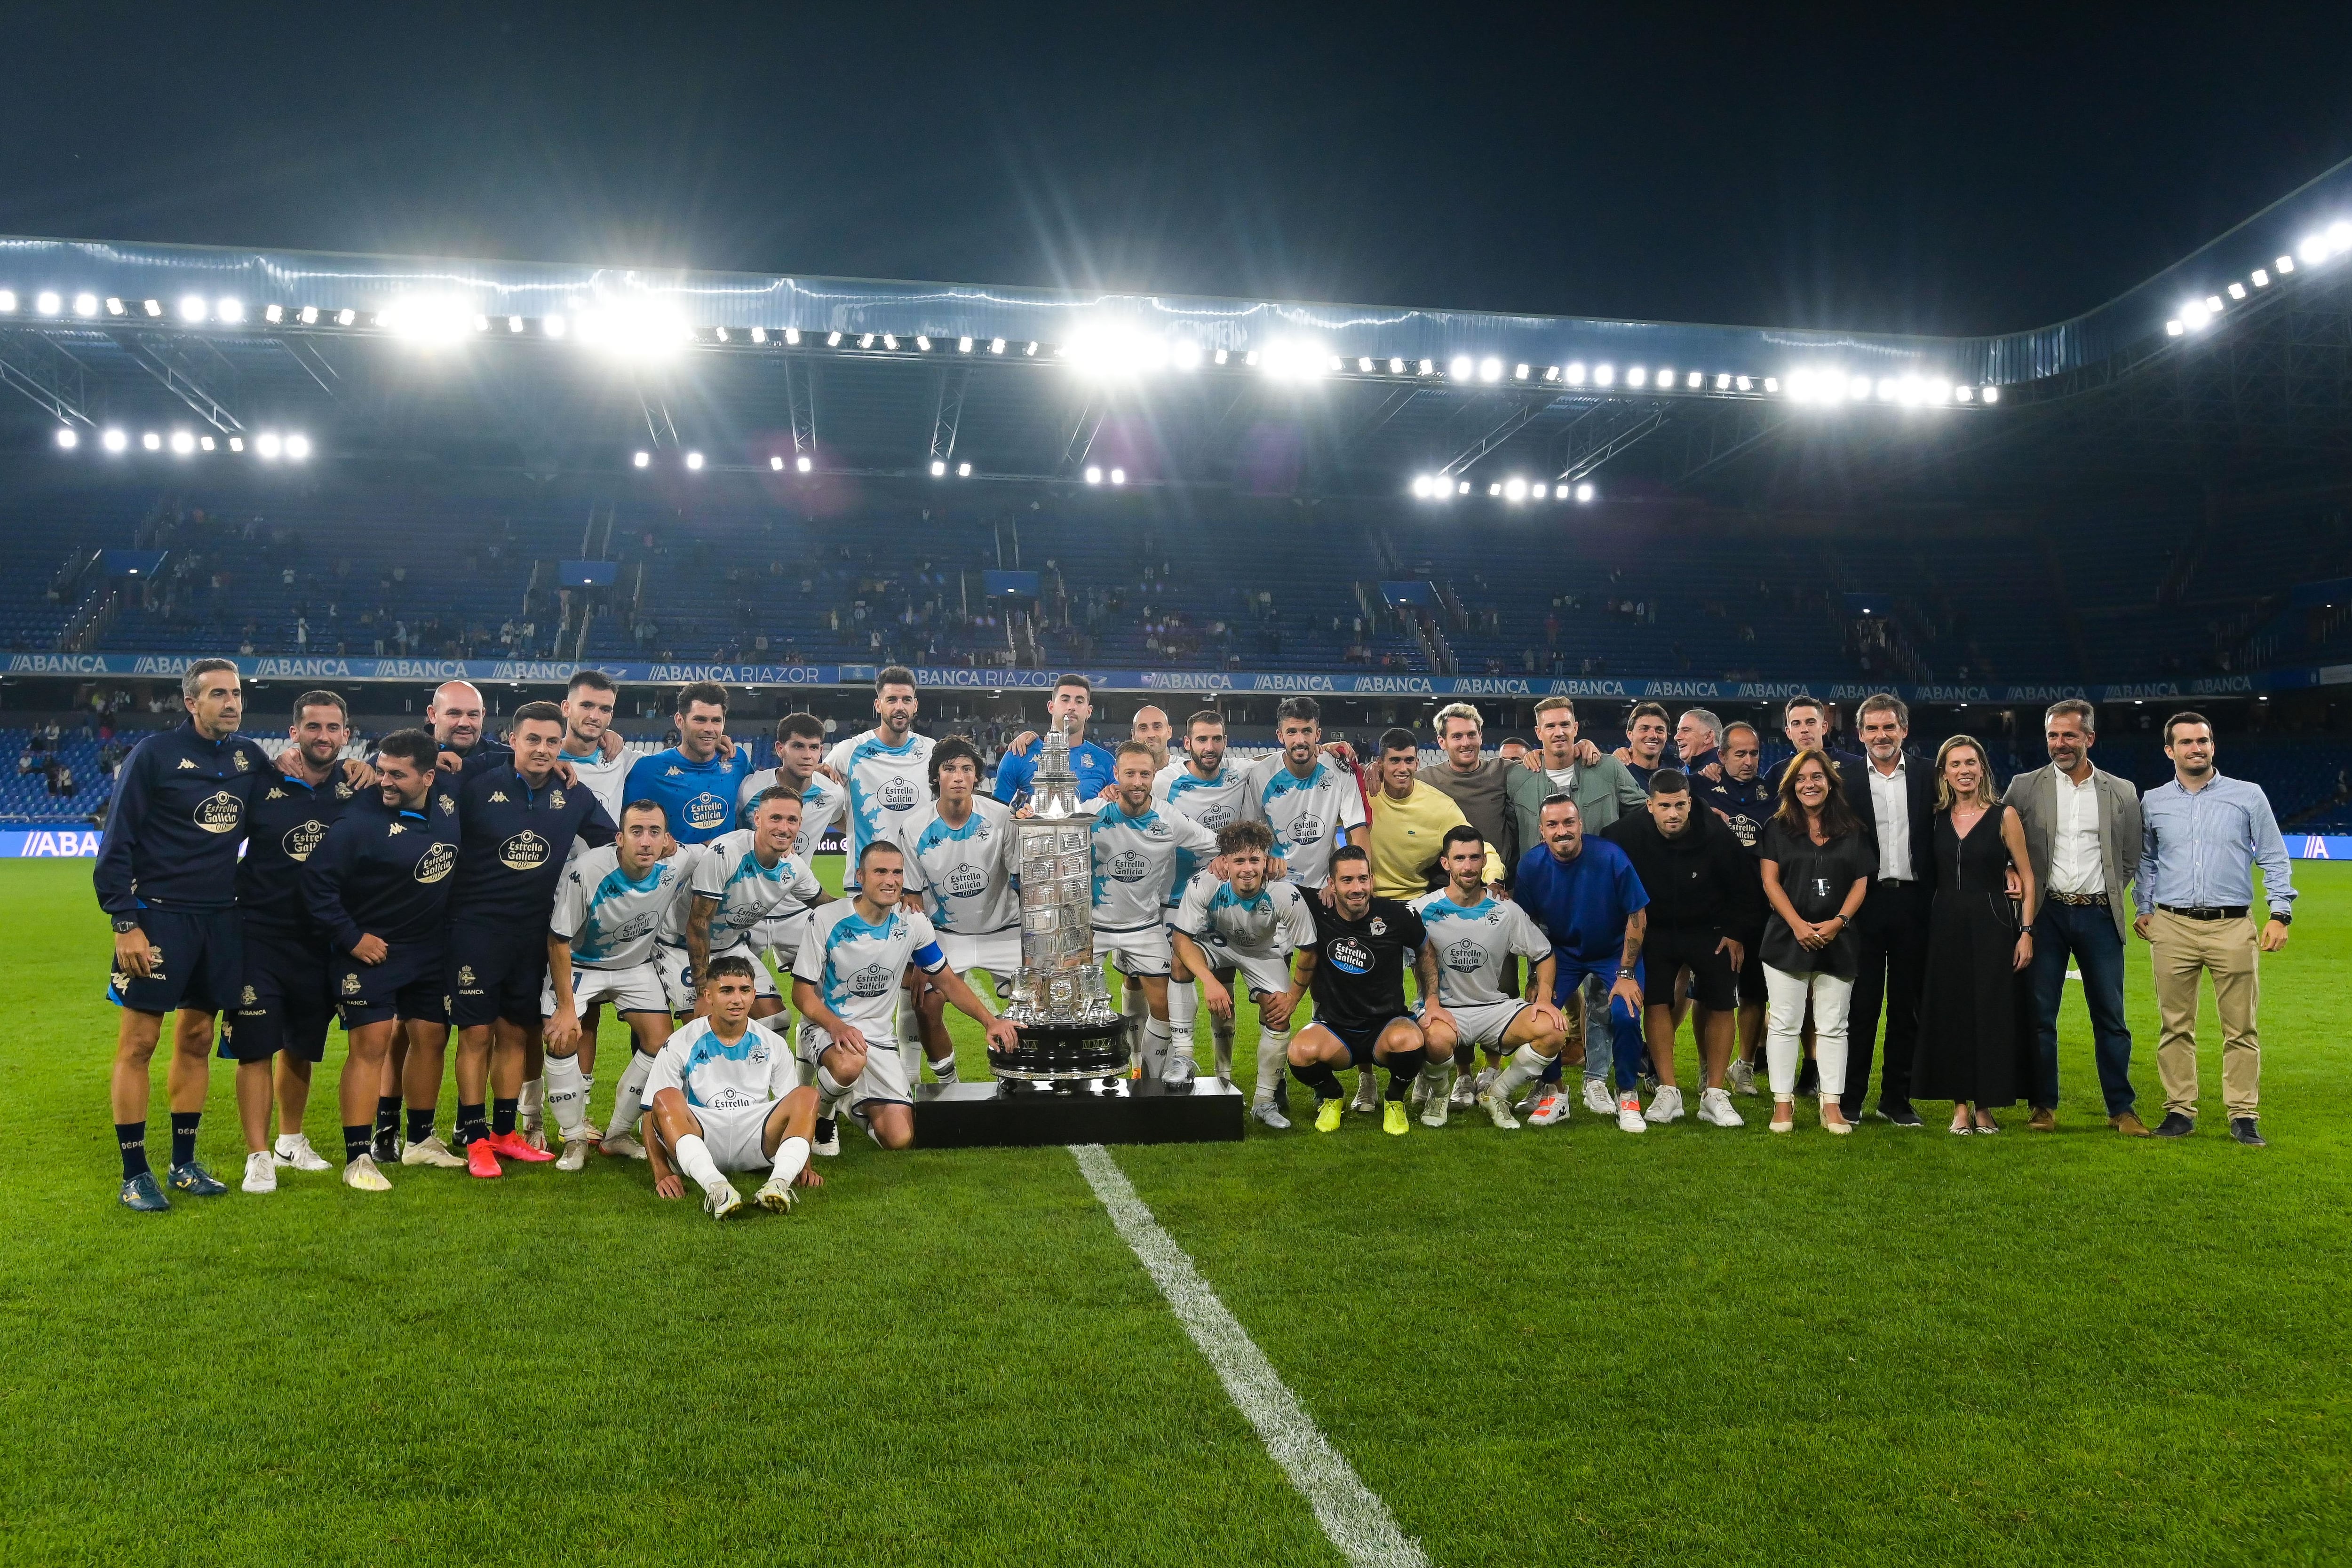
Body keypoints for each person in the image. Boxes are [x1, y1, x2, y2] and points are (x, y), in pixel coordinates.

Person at [96, 659, 284, 1209]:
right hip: (158, 917)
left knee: (197, 1039)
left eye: (237, 693)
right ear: (191, 703)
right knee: (140, 1043)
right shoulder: (153, 756)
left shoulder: (250, 756)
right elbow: (116, 844)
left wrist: (354, 774)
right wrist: (125, 922)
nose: (232, 703)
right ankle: (135, 1173)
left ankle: (183, 1164)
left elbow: (293, 801)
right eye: (219, 694)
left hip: (222, 919)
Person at [445, 701, 616, 1177]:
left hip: (533, 933)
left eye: (551, 742)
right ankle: (475, 1138)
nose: (543, 749)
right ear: (512, 741)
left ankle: (504, 1133)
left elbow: (614, 841)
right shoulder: (476, 784)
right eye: (533, 740)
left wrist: (662, 845)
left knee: (516, 1034)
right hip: (475, 929)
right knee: (477, 1034)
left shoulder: (574, 793)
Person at [303, 729, 464, 1189]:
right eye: (382, 769)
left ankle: (420, 1141)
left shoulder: (449, 800)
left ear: (430, 776)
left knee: (432, 1037)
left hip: (430, 949)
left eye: (398, 774)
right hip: (372, 952)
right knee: (370, 1046)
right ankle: (358, 1157)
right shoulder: (358, 820)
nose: (385, 781)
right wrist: (351, 937)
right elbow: (316, 884)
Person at [792, 840, 1020, 1153]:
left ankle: (846, 1098)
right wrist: (836, 1027)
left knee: (899, 1139)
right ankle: (824, 1114)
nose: (890, 880)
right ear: (860, 876)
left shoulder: (913, 922)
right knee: (847, 1066)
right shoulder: (827, 920)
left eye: (897, 872)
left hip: (879, 1039)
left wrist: (989, 1021)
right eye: (880, 872)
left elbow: (947, 980)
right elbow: (802, 994)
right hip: (827, 1029)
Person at [219, 690, 361, 1193]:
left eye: (333, 727)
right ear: (293, 731)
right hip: (258, 937)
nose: (323, 736)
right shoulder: (261, 782)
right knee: (255, 1048)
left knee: (301, 1047)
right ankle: (258, 1155)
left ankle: (290, 1140)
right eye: (313, 726)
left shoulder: (357, 787)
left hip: (322, 942)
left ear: (347, 734)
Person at [2134, 712, 2296, 1146]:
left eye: (2203, 740)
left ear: (2213, 745)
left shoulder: (2248, 796)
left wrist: (2280, 913)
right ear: (2170, 750)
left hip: (2232, 925)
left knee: (2241, 1028)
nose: (2197, 748)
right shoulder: (2153, 801)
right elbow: (2147, 860)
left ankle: (2243, 1115)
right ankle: (2179, 1112)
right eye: (2186, 742)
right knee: (2175, 1026)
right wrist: (2143, 907)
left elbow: (2275, 857)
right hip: (2171, 925)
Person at [2002, 700, 2148, 1134]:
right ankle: (2043, 1106)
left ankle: (2121, 1108)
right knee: (2041, 1016)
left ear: (2089, 738)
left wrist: (2106, 895)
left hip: (2100, 914)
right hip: (2045, 914)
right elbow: (1999, 838)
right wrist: (2008, 868)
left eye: (2069, 735)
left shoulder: (2121, 790)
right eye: (2053, 735)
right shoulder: (2025, 786)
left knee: (2110, 1017)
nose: (2059, 744)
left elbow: (2130, 856)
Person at [1505, 697, 1643, 1115]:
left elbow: (1643, 814)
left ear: (1577, 727)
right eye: (1550, 726)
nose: (1559, 732)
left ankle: (1602, 1084)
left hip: (1606, 910)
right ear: (1538, 733)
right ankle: (1553, 1090)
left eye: (1566, 724)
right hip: (1553, 920)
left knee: (1610, 1008)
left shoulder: (1607, 767)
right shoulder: (1519, 777)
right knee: (1543, 1007)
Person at [1604, 769, 1762, 1128]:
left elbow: (1745, 886)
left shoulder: (1716, 833)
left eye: (1680, 805)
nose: (1673, 813)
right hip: (1656, 929)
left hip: (1710, 928)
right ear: (1650, 806)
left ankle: (1715, 1093)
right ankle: (1668, 1091)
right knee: (1658, 999)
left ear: (1690, 802)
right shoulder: (1625, 835)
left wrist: (1736, 932)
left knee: (1723, 1000)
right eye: (1664, 806)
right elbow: (1604, 865)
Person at [544, 800, 683, 1169]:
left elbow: (720, 855)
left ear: (667, 840)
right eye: (636, 832)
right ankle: (574, 1139)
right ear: (619, 838)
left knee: (661, 1043)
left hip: (633, 965)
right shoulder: (588, 871)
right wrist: (566, 1008)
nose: (646, 841)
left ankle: (618, 1134)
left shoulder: (677, 862)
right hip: (580, 963)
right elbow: (558, 939)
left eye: (654, 832)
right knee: (562, 1036)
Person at [1913, 736, 2039, 1134]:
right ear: (1944, 773)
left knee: (1991, 1016)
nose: (1964, 770)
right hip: (1945, 924)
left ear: (1982, 768)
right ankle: (1960, 1107)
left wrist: (2027, 932)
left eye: (1971, 762)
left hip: (1994, 925)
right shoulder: (1934, 817)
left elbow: (2029, 876)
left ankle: (1986, 1105)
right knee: (1952, 1015)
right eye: (1955, 764)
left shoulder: (2005, 815)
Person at [1510, 794, 1652, 1133]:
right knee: (1540, 1015)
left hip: (1613, 951)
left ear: (1581, 825)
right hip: (1563, 953)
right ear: (1542, 831)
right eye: (1553, 825)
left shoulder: (1610, 856)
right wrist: (1536, 977)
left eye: (1569, 823)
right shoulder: (1531, 865)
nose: (1562, 831)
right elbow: (1527, 926)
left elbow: (1638, 913)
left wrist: (1627, 973)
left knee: (1626, 1014)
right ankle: (1556, 1093)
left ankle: (1627, 1094)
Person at [641, 956, 823, 1220]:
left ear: (754, 994)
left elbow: (796, 1111)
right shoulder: (681, 1042)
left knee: (807, 1094)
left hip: (758, 1135)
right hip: (702, 1135)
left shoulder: (772, 1043)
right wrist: (661, 1171)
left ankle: (780, 1183)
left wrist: (802, 1165)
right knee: (665, 1096)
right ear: (709, 995)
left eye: (744, 990)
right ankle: (717, 1187)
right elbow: (651, 1112)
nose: (737, 999)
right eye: (727, 991)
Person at [1411, 827, 1565, 1130]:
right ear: (1446, 863)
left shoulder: (1505, 911)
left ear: (1484, 861)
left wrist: (1545, 999)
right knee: (1436, 1041)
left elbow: (1544, 954)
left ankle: (1497, 1094)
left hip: (1492, 1009)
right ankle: (1440, 1095)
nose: (1467, 867)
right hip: (1444, 1009)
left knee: (1554, 1030)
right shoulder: (1421, 910)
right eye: (1459, 859)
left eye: (1474, 858)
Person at [1088, 740, 1224, 1083]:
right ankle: (1088, 1075)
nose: (1137, 782)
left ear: (1154, 776)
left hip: (1144, 926)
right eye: (1130, 773)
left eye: (1145, 774)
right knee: (1079, 1007)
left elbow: (1214, 842)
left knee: (1161, 1008)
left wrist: (1253, 852)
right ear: (1116, 774)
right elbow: (1051, 828)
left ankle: (1148, 1080)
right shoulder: (1091, 812)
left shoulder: (1168, 819)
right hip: (1092, 928)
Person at [1171, 821, 1320, 1129]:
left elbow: (1309, 950)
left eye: (1255, 860)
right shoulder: (1205, 882)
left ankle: (1264, 1103)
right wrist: (1210, 982)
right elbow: (1182, 938)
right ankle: (1184, 1056)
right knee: (1181, 963)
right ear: (1224, 862)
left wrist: (1293, 998)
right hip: (1220, 944)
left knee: (1278, 1014)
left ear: (1266, 861)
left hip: (1264, 953)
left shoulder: (1284, 893)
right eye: (1239, 860)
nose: (1247, 869)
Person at [1755, 749, 1874, 1134]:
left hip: (1838, 939)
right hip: (1786, 939)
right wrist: (1798, 925)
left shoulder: (1853, 828)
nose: (1810, 784)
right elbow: (1770, 882)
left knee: (1834, 1025)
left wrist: (1838, 923)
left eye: (1817, 777)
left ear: (1830, 783)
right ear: (1791, 785)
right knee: (1786, 1023)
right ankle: (1783, 1104)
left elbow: (1861, 881)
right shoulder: (1776, 828)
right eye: (1802, 778)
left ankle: (1833, 1105)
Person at [897, 737, 1019, 1085]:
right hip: (946, 935)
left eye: (967, 769)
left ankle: (1012, 1076)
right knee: (924, 1004)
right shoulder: (915, 826)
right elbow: (912, 898)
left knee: (1033, 1005)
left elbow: (1021, 876)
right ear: (936, 776)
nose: (958, 776)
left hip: (1004, 929)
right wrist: (923, 955)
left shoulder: (1000, 817)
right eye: (949, 769)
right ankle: (947, 1083)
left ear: (977, 777)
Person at [1841, 693, 1937, 1128]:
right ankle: (1850, 1098)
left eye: (1889, 727)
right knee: (1860, 1006)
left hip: (1916, 903)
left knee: (1907, 1007)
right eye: (1873, 728)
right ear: (1860, 734)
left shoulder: (1929, 774)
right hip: (1864, 903)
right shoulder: (1843, 779)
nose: (1882, 735)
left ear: (1904, 730)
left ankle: (1896, 1098)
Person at [1288, 844, 1426, 1135]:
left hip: (1385, 1026)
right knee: (1300, 1053)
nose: (1357, 888)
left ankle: (1394, 1100)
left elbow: (1425, 950)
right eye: (1347, 880)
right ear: (1331, 884)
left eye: (1363, 879)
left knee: (1412, 1042)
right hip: (1337, 1029)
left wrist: (1433, 999)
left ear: (1372, 880)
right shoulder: (1315, 907)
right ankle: (1333, 1096)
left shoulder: (1398, 914)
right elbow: (1274, 884)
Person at [660, 789, 820, 1024]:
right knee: (706, 1027)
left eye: (792, 820)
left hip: (729, 946)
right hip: (680, 945)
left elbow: (824, 905)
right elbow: (697, 926)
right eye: (775, 818)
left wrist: (872, 903)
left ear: (800, 824)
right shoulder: (727, 853)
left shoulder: (794, 868)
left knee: (777, 1020)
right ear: (757, 819)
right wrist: (703, 992)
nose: (784, 828)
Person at [1153, 709, 1254, 1082]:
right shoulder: (1167, 780)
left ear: (1225, 742)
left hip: (1224, 899)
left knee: (1223, 977)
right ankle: (1179, 1059)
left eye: (1216, 739)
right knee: (1175, 972)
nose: (1209, 748)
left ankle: (1223, 1073)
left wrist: (1326, 746)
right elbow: (1137, 794)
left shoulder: (1241, 772)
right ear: (1187, 743)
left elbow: (1276, 759)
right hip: (1175, 897)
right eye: (1202, 740)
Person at [1696, 721, 1774, 1094]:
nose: (1748, 761)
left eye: (1754, 753)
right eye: (1739, 753)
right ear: (1721, 755)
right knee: (1713, 991)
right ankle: (1705, 1065)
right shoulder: (1700, 787)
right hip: (1715, 908)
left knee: (1756, 991)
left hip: (1761, 908)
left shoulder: (1773, 792)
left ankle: (1743, 1066)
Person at [824, 665, 936, 894]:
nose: (899, 707)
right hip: (865, 886)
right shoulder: (849, 752)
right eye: (891, 699)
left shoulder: (932, 751)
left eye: (906, 700)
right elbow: (818, 792)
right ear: (878, 705)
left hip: (920, 887)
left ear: (915, 705)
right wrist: (854, 827)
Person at [1244, 696, 1367, 895]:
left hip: (1326, 890)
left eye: (1307, 731)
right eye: (1292, 732)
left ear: (1318, 734)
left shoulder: (1340, 770)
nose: (1300, 740)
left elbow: (1357, 829)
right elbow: (1248, 834)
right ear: (1280, 736)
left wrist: (1360, 882)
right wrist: (1264, 863)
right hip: (1275, 888)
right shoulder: (1261, 775)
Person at [1364, 727, 1499, 901]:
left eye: (1409, 761)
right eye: (1395, 761)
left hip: (1415, 901)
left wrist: (1494, 879)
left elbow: (1478, 847)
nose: (1403, 768)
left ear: (1417, 764)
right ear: (1380, 763)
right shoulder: (1361, 793)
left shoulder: (1440, 806)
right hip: (1361, 897)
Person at [622, 681, 755, 849]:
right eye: (700, 720)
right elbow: (626, 829)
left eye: (716, 721)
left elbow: (754, 812)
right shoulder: (648, 770)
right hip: (674, 872)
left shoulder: (737, 760)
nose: (709, 728)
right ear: (680, 721)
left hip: (726, 871)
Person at [994, 673, 1119, 804]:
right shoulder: (1019, 753)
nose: (1072, 707)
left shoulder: (1106, 761)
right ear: (1051, 707)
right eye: (1065, 700)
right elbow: (999, 814)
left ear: (1089, 711)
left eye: (1079, 701)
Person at [1616, 701, 1670, 788]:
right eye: (1644, 729)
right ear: (1630, 734)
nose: (1653, 735)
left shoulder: (1672, 779)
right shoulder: (1616, 775)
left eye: (1660, 730)